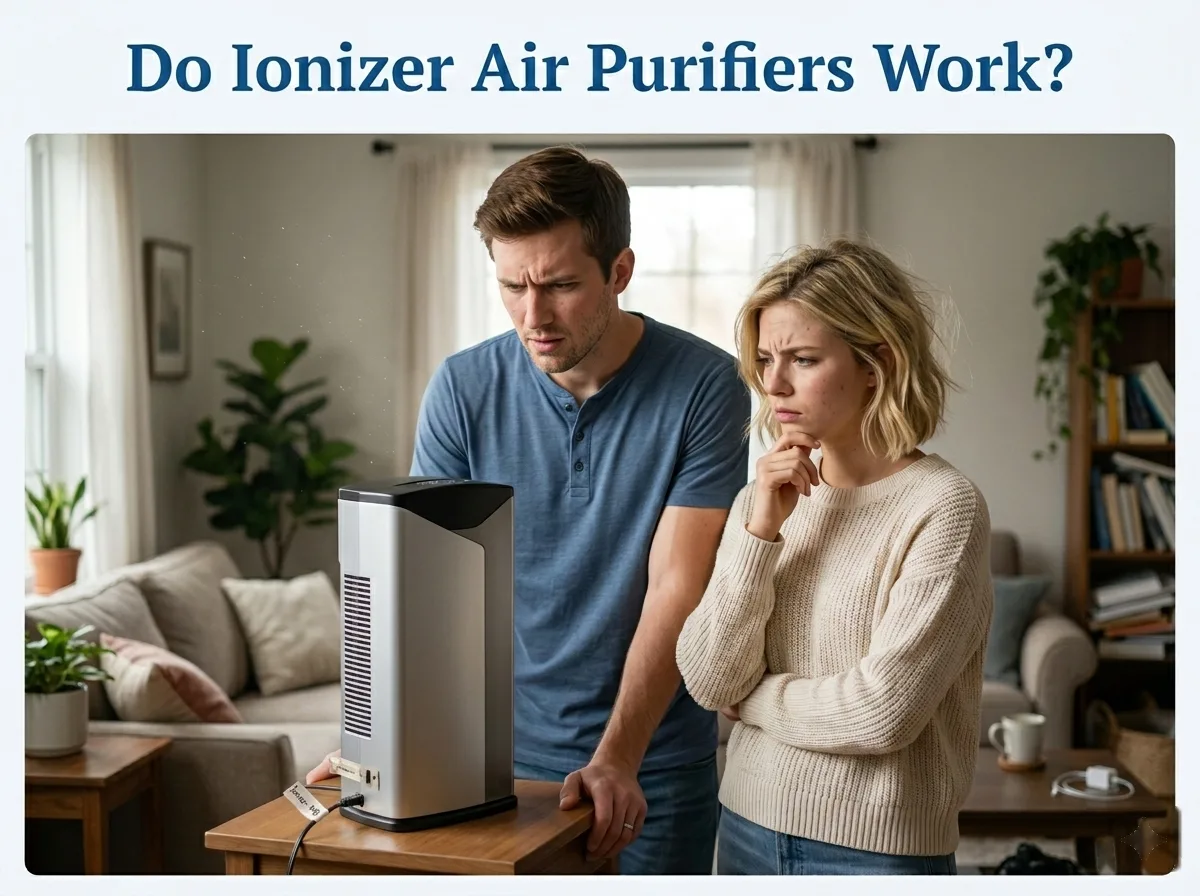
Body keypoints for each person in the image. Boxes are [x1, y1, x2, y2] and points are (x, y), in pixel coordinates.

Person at [307, 146, 750, 874]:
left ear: (619, 272)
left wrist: (617, 759)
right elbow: (426, 587)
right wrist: (379, 742)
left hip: (652, 764)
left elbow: (679, 583)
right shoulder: (463, 388)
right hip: (491, 764)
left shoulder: (705, 385)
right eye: (511, 286)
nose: (533, 316)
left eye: (560, 285)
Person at [675, 238, 993, 875]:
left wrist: (753, 702)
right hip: (744, 827)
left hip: (876, 853)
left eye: (803, 359)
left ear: (877, 362)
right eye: (766, 360)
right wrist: (760, 534)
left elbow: (882, 712)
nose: (774, 384)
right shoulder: (761, 500)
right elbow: (709, 680)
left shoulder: (943, 507)